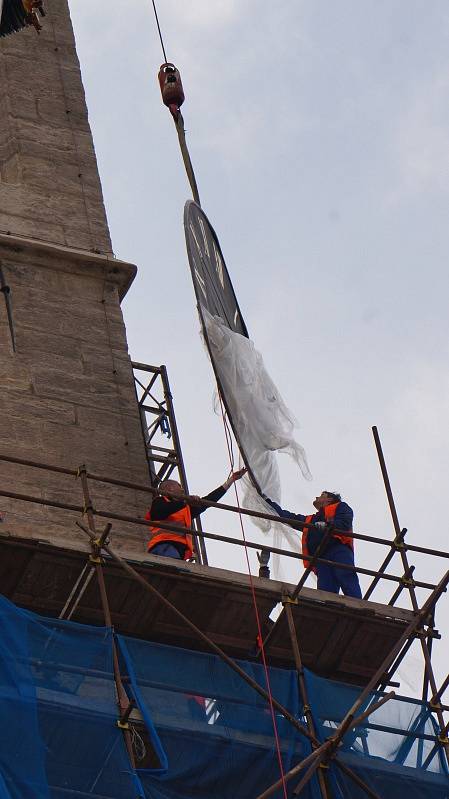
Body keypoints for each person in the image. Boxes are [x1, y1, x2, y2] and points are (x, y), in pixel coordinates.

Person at [263, 490, 362, 598]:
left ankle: (358, 605)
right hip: (320, 556)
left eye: (321, 495)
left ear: (330, 499)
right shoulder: (311, 519)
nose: (316, 497)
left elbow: (344, 523)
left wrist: (327, 525)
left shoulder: (340, 506)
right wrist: (267, 501)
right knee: (326, 588)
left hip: (338, 549)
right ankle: (328, 610)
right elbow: (288, 517)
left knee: (345, 575)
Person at [146, 468, 246, 560]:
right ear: (169, 488)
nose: (182, 490)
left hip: (177, 549)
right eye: (179, 486)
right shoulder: (160, 501)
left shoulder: (186, 510)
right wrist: (185, 502)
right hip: (164, 546)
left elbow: (209, 500)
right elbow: (158, 513)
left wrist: (231, 480)